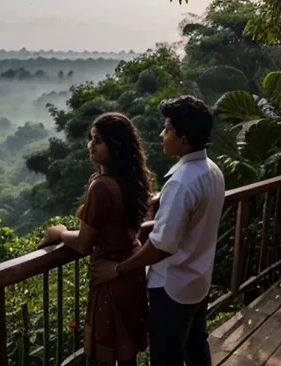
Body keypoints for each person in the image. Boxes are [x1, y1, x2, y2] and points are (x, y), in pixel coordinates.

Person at [91, 95, 225, 366]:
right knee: (196, 346)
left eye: (168, 129)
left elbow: (161, 246)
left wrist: (117, 269)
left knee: (167, 357)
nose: (162, 134)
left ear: (184, 138)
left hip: (172, 288)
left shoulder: (182, 183)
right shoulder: (211, 171)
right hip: (198, 280)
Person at [39, 112, 154, 366]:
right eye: (91, 138)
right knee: (127, 357)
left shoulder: (102, 187)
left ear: (116, 146)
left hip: (109, 275)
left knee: (104, 356)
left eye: (98, 140)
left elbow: (83, 244)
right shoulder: (132, 179)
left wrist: (58, 232)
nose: (90, 145)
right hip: (130, 274)